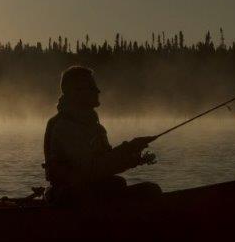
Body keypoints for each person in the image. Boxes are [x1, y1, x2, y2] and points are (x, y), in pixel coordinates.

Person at [43, 66, 161, 204]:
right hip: (71, 199)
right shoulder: (64, 127)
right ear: (76, 92)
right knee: (150, 191)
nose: (98, 91)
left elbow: (106, 164)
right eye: (92, 87)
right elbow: (91, 170)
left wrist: (134, 158)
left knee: (124, 185)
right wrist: (129, 148)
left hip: (92, 192)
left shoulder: (95, 127)